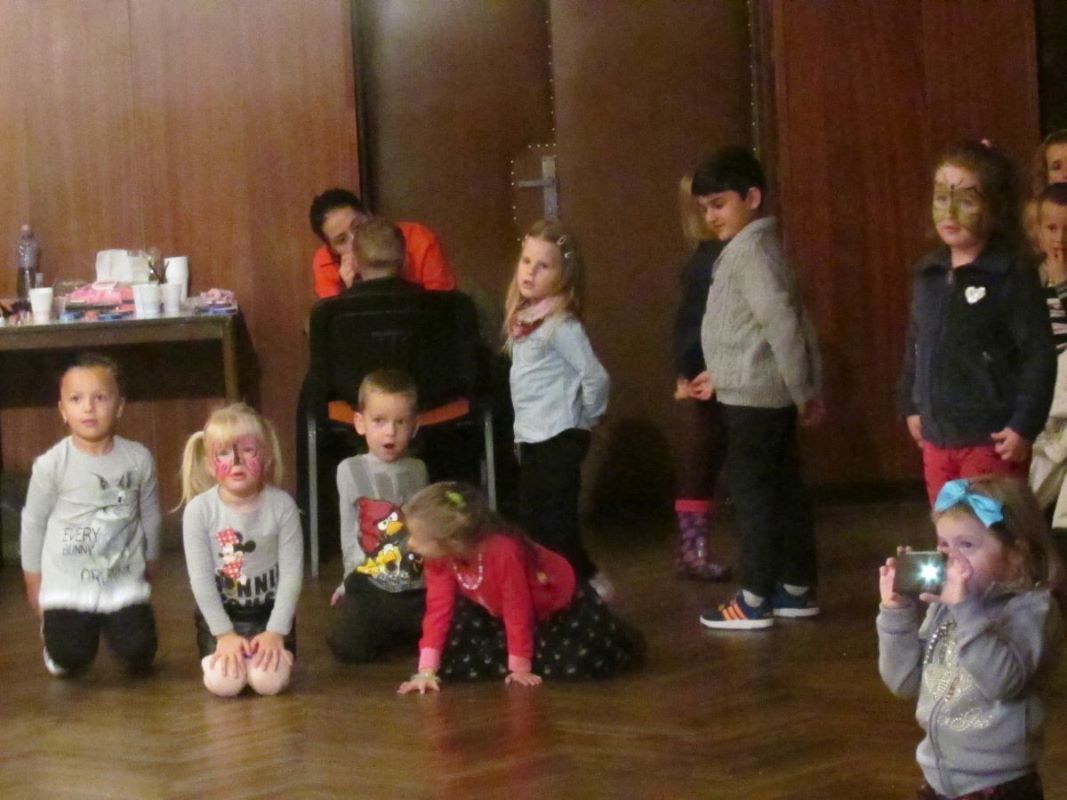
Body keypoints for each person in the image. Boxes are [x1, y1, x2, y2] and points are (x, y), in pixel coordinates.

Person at [689, 147, 824, 631]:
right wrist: (721, 374)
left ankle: (754, 597)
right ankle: (795, 587)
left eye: (719, 204)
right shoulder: (760, 248)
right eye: (704, 207)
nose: (711, 216)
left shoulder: (749, 252)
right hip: (757, 391)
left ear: (752, 198)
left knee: (754, 498)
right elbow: (753, 331)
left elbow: (783, 323)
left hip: (755, 402)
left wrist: (804, 389)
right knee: (783, 490)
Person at [878, 475, 1065, 800]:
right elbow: (904, 682)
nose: (951, 559)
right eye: (944, 545)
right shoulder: (945, 606)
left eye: (967, 545)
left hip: (1001, 784)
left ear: (1016, 555)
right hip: (936, 777)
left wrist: (965, 609)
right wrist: (896, 613)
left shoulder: (1033, 610)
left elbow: (1001, 682)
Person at [900, 140, 1056, 504]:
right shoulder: (929, 274)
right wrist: (910, 402)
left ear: (995, 208)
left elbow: (1038, 354)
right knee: (950, 527)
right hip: (938, 439)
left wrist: (1023, 425)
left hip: (991, 440)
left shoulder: (1011, 275)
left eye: (966, 201)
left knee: (989, 530)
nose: (950, 213)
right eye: (942, 199)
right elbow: (916, 345)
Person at [396, 482, 643, 694]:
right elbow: (438, 608)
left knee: (574, 663)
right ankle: (521, 649)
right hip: (499, 611)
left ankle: (613, 633)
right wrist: (426, 671)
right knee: (452, 659)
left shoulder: (503, 551)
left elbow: (518, 606)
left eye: (417, 537)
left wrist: (520, 667)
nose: (410, 544)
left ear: (451, 541)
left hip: (556, 611)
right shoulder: (438, 558)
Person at [20, 353, 161, 677]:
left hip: (121, 579)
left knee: (139, 652)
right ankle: (58, 634)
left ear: (119, 406)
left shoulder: (138, 458)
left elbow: (150, 515)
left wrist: (151, 561)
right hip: (68, 583)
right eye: (76, 399)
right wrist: (33, 579)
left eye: (100, 398)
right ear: (63, 411)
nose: (88, 408)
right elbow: (33, 523)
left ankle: (114, 624)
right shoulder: (51, 465)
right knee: (71, 658)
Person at [503, 219, 611, 597]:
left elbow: (595, 376)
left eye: (543, 266)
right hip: (534, 434)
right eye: (526, 261)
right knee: (535, 519)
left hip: (560, 434)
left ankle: (578, 589)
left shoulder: (559, 325)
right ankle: (566, 583)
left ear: (563, 275)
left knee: (557, 519)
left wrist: (587, 418)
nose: (530, 272)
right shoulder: (525, 320)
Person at [180, 403, 303, 696]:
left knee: (268, 683)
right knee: (225, 685)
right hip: (223, 617)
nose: (236, 461)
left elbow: (291, 575)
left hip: (268, 616)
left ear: (267, 457)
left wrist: (275, 631)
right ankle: (231, 657)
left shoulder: (282, 506)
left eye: (248, 450)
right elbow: (201, 581)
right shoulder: (198, 511)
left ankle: (262, 659)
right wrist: (223, 634)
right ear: (210, 464)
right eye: (224, 453)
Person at [326, 369, 428, 663]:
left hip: (412, 584)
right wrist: (347, 580)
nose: (390, 433)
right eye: (379, 421)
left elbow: (423, 529)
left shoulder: (418, 470)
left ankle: (399, 629)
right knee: (346, 645)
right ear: (360, 423)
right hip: (369, 581)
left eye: (400, 422)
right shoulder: (350, 470)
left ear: (414, 426)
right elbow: (348, 530)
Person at [671, 175, 729, 581]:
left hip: (710, 367)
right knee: (706, 455)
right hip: (711, 371)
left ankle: (692, 547)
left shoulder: (711, 257)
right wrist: (689, 369)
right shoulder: (710, 261)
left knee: (707, 455)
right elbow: (692, 323)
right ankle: (692, 548)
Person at [308, 187, 455, 297]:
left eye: (358, 226)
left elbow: (444, 306)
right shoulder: (324, 262)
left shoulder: (418, 239)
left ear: (369, 214)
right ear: (331, 249)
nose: (355, 240)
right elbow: (333, 323)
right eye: (342, 240)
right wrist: (352, 291)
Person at [1029, 184, 1067, 533]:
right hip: (1043, 389)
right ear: (1037, 233)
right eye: (1052, 228)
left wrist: (1063, 285)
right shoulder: (1028, 279)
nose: (1060, 238)